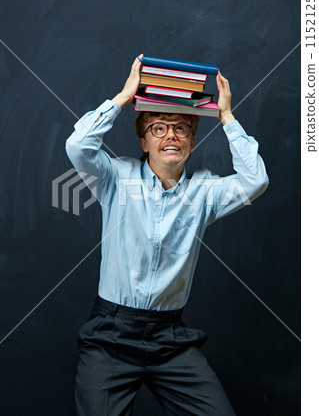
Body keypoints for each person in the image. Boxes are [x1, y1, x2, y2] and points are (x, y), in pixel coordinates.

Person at [65, 54, 269, 416]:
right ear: (144, 142)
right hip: (110, 334)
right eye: (158, 127)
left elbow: (255, 180)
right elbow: (79, 146)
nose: (171, 135)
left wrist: (226, 116)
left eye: (182, 128)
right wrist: (124, 97)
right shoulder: (115, 177)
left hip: (170, 339)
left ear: (192, 142)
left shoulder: (206, 191)